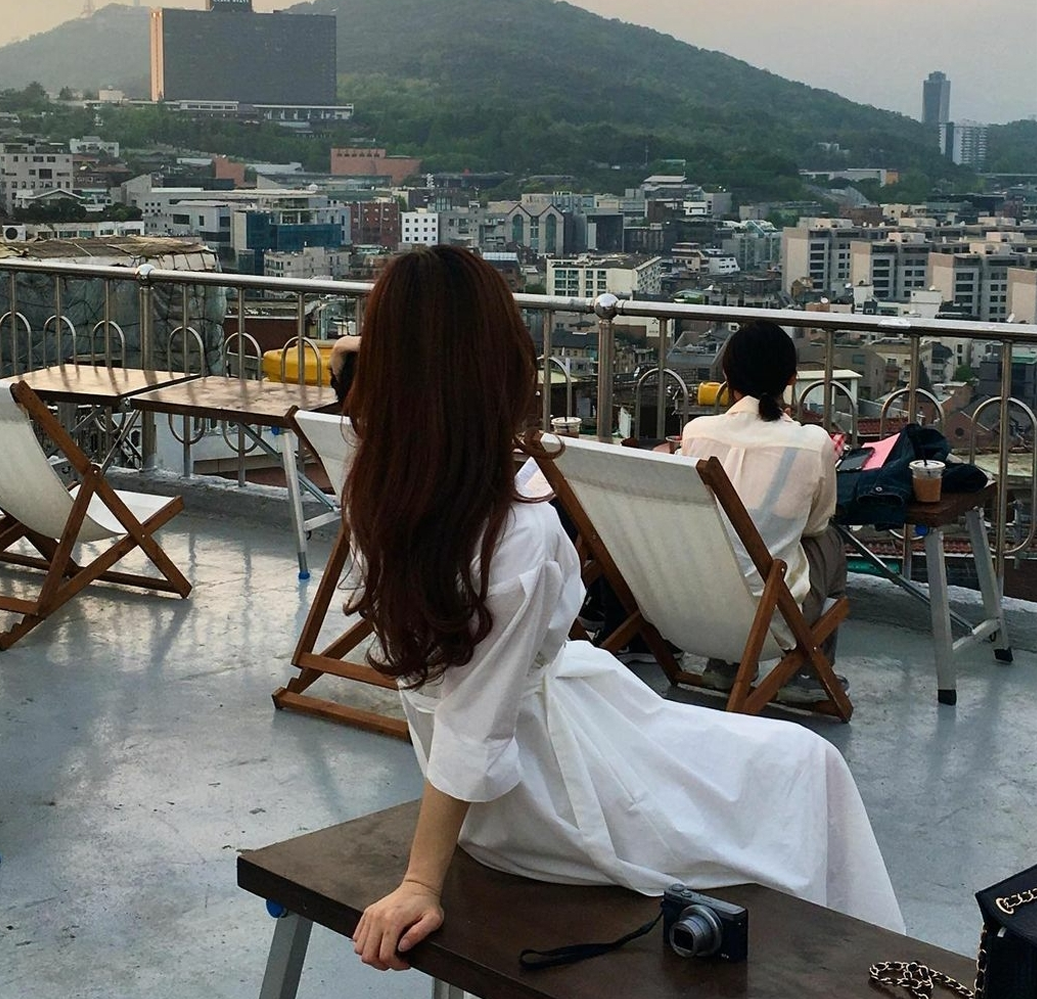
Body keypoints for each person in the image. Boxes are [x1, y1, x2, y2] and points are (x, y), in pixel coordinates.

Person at [345, 247, 902, 973]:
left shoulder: (377, 492)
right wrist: (421, 882)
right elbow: (477, 723)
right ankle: (866, 972)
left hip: (508, 788)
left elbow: (460, 700)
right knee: (807, 761)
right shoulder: (514, 531)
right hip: (547, 796)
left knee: (761, 759)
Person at [679, 321, 848, 703]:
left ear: (726, 375)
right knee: (831, 542)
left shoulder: (696, 434)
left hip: (695, 605)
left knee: (722, 540)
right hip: (770, 617)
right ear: (791, 379)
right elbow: (816, 524)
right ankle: (805, 671)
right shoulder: (812, 443)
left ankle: (725, 664)